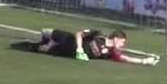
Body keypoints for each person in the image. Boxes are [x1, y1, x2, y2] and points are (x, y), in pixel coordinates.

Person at [16, 28, 157, 65]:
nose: (123, 45)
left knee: (40, 49)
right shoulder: (98, 35)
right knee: (45, 31)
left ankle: (40, 45)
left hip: (66, 52)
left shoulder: (110, 53)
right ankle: (47, 40)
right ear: (116, 38)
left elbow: (125, 58)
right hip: (68, 39)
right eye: (122, 42)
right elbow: (79, 34)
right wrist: (79, 48)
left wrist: (144, 61)